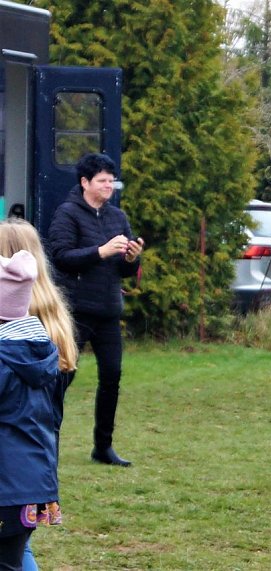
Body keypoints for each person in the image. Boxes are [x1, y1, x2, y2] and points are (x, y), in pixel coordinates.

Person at [48, 153, 144, 467]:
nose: (109, 186)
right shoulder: (67, 213)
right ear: (85, 182)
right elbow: (60, 257)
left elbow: (125, 270)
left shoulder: (118, 217)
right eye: (102, 181)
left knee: (112, 376)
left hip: (108, 310)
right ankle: (47, 443)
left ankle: (103, 447)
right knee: (63, 377)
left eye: (111, 181)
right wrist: (101, 251)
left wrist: (132, 258)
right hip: (74, 310)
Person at [0, 218, 78, 571]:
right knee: (16, 552)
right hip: (35, 465)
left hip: (9, 473)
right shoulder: (48, 328)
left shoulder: (7, 345)